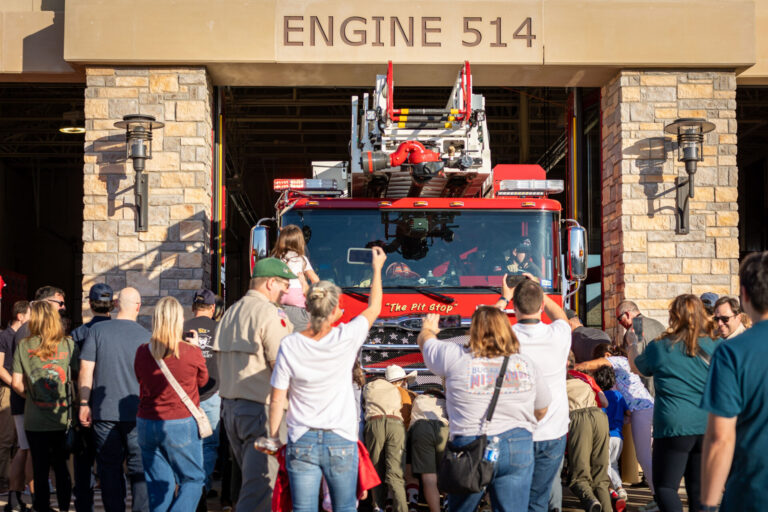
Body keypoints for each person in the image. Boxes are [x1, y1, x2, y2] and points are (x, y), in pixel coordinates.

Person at [266, 246, 386, 512]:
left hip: (302, 439)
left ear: (308, 308)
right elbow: (374, 307)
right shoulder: (346, 337)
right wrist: (376, 269)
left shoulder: (290, 345)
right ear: (334, 312)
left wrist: (274, 438)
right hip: (340, 439)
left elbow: (277, 398)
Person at [420, 306, 551, 512]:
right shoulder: (525, 364)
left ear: (473, 331)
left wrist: (429, 329)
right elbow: (542, 408)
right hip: (517, 444)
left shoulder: (454, 357)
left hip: (470, 446)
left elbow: (426, 344)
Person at [214, 257, 296, 512]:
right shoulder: (270, 314)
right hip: (262, 414)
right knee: (261, 486)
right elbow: (281, 367)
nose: (286, 291)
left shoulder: (230, 313)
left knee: (253, 484)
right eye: (284, 284)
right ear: (270, 282)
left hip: (231, 411)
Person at [631, 294, 719, 512]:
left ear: (673, 316)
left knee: (665, 488)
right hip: (707, 424)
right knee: (698, 490)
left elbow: (637, 367)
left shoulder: (660, 346)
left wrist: (633, 344)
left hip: (674, 425)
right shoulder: (717, 345)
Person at [494, 275, 569, 512]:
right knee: (538, 501)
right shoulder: (559, 335)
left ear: (515, 307)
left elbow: (483, 324)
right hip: (553, 432)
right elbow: (561, 317)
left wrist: (504, 297)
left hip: (513, 432)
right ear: (539, 306)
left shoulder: (505, 336)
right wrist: (540, 291)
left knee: (510, 500)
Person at [700, 251, 768, 511]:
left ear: (745, 297)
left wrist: (707, 503)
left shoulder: (732, 353)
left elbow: (720, 438)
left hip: (753, 493)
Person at [134, 296, 209, 511]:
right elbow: (203, 381)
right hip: (180, 422)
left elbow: (140, 379)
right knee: (193, 479)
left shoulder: (142, 351)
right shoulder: (190, 352)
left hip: (147, 422)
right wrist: (196, 349)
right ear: (179, 320)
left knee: (159, 486)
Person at [78, 287, 149, 512]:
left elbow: (86, 369)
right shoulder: (147, 337)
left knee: (109, 469)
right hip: (138, 412)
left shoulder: (97, 331)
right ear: (139, 307)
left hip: (104, 411)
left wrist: (83, 403)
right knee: (140, 470)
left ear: (116, 304)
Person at [11, 300, 77, 512]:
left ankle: (42, 507)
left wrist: (32, 395)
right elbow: (77, 377)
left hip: (35, 418)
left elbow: (16, 383)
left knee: (40, 470)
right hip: (62, 416)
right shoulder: (68, 344)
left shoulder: (24, 346)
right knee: (61, 468)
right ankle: (65, 508)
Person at [576, 344, 656, 509]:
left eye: (601, 359)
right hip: (641, 410)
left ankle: (660, 498)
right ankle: (660, 496)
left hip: (641, 409)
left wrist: (575, 368)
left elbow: (592, 365)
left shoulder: (620, 361)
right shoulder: (619, 372)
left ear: (606, 355)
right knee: (648, 456)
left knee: (644, 456)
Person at [69, 283, 113, 512]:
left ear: (90, 303)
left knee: (83, 462)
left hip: (84, 402)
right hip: (111, 404)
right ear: (112, 305)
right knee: (111, 464)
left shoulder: (78, 334)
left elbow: (73, 370)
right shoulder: (116, 332)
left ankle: (84, 507)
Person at [183, 288, 221, 509]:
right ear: (213, 309)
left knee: (191, 442)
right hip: (212, 392)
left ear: (193, 307)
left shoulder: (183, 328)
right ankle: (202, 487)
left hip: (187, 395)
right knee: (210, 443)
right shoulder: (220, 328)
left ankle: (191, 485)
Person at [362, 365, 415, 512]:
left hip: (374, 423)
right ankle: (402, 508)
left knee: (376, 469)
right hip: (396, 425)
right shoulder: (400, 391)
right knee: (396, 473)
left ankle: (378, 506)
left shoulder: (368, 387)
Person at [565, 364, 611, 512]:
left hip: (577, 418)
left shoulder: (556, 381)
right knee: (600, 477)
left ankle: (591, 502)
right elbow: (604, 402)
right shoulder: (586, 379)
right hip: (599, 416)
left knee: (579, 476)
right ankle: (606, 508)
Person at [0, 301, 30, 512]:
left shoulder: (27, 337)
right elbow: (0, 367)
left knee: (22, 442)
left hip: (22, 390)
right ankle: (3, 480)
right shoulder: (5, 336)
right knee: (6, 438)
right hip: (9, 389)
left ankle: (18, 485)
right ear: (20, 316)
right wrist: (16, 384)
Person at [271, 224, 320, 332]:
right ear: (300, 242)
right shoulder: (302, 259)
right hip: (297, 299)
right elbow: (315, 280)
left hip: (280, 296)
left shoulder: (276, 257)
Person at [408, 389, 449, 512]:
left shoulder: (418, 400)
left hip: (421, 428)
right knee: (446, 476)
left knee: (429, 479)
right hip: (443, 428)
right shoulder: (445, 402)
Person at [593, 365, 629, 503]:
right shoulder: (619, 395)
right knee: (613, 465)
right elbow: (629, 412)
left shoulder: (599, 396)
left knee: (604, 466)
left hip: (605, 436)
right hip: (618, 437)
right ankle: (620, 489)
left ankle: (611, 492)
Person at [615, 301, 665, 396]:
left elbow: (635, 360)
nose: (619, 323)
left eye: (619, 319)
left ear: (627, 314)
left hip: (647, 387)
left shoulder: (636, 327)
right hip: (664, 383)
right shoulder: (658, 324)